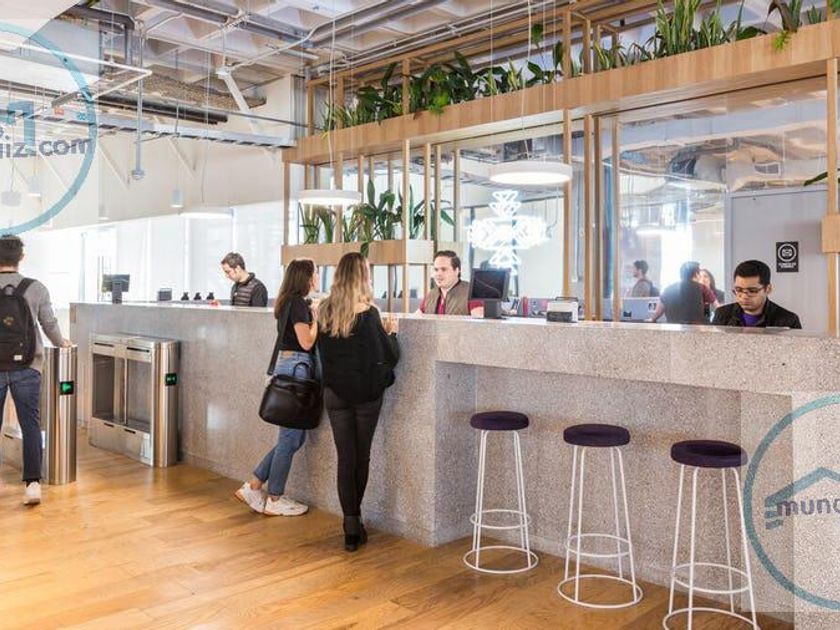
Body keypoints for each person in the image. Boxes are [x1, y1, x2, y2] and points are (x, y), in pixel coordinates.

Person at [318, 253, 399, 552]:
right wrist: (393, 334)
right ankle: (355, 521)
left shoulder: (323, 309)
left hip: (335, 393)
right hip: (366, 395)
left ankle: (350, 525)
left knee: (345, 459)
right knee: (361, 457)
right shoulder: (370, 313)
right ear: (363, 276)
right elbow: (388, 356)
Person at [235, 259, 319, 516]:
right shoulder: (297, 304)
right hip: (296, 368)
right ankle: (274, 498)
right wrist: (317, 319)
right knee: (290, 438)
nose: (317, 277)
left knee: (294, 437)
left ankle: (255, 485)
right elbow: (306, 342)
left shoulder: (288, 302)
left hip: (287, 366)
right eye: (315, 273)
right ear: (305, 277)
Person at [0, 234, 72, 506]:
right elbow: (49, 323)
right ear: (21, 258)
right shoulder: (36, 288)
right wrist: (62, 342)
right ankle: (32, 485)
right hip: (28, 365)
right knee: (30, 424)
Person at [712, 259, 802, 329]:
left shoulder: (788, 321)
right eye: (738, 290)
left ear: (768, 289)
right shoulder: (722, 314)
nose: (744, 296)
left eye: (752, 291)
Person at [650, 261, 720, 324]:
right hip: (696, 331)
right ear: (696, 274)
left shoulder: (668, 289)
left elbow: (656, 314)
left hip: (673, 330)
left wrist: (652, 320)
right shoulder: (702, 288)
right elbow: (719, 309)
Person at [418, 250, 470, 315]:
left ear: (456, 271)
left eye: (444, 269)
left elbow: (479, 320)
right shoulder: (430, 295)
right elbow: (415, 319)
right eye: (436, 270)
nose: (438, 274)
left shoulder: (471, 293)